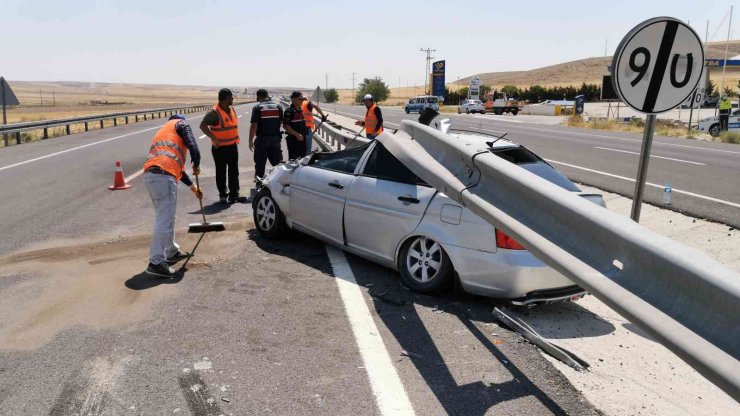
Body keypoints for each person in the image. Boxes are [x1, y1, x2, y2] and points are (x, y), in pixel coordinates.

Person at [143, 114, 203, 278]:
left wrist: (194, 188)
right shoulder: (181, 124)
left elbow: (180, 171)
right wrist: (196, 164)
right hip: (163, 176)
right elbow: (193, 146)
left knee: (167, 216)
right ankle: (155, 262)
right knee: (165, 219)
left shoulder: (164, 132)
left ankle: (171, 252)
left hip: (152, 176)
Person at [200, 88, 247, 204]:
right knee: (221, 172)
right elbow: (203, 126)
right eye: (231, 97)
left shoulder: (231, 110)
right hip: (220, 148)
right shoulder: (214, 113)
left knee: (234, 172)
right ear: (225, 99)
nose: (232, 99)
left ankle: (234, 195)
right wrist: (213, 137)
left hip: (232, 146)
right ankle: (222, 195)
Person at [249, 89, 284, 179]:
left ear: (258, 96)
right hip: (275, 139)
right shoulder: (278, 107)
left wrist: (250, 140)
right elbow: (280, 122)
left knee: (260, 164)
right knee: (278, 164)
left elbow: (254, 126)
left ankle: (258, 184)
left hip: (262, 140)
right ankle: (280, 182)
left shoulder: (258, 107)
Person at [282, 91, 309, 160]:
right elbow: (285, 126)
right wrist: (297, 134)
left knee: (303, 160)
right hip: (294, 140)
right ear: (293, 99)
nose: (301, 100)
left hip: (302, 139)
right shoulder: (289, 110)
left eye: (302, 99)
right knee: (294, 161)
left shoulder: (301, 110)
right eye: (300, 99)